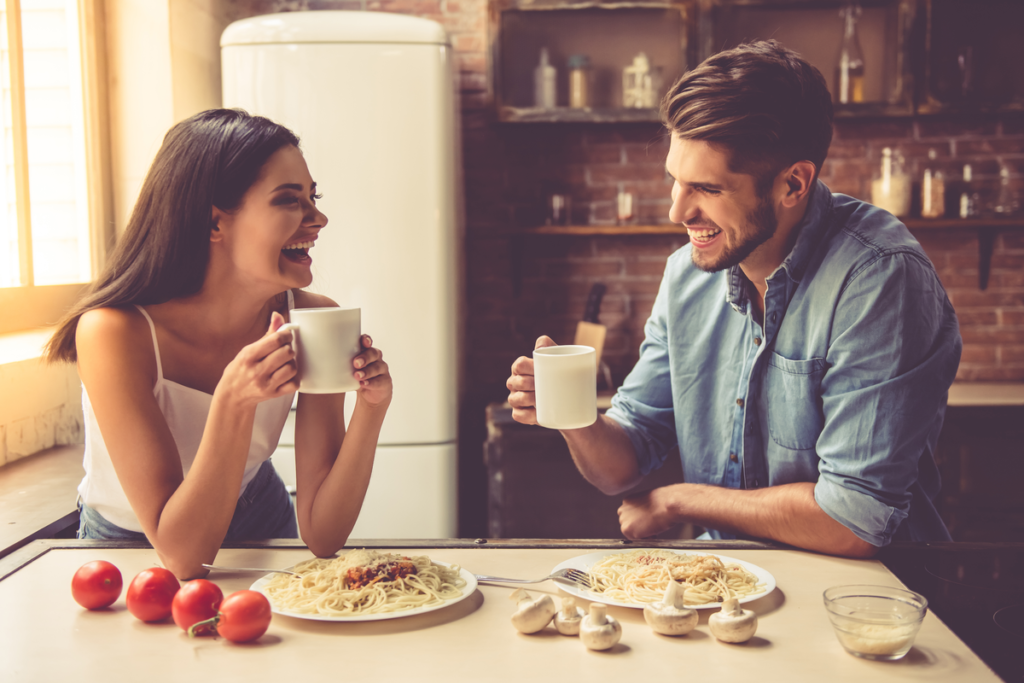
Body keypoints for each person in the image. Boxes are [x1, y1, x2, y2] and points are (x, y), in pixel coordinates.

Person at [506, 41, 961, 558]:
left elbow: (853, 521)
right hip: (730, 589)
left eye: (707, 189)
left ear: (793, 183)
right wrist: (576, 419)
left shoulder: (881, 279)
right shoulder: (686, 275)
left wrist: (682, 501)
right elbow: (622, 464)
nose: (679, 211)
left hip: (868, 606)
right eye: (675, 181)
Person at [46, 109, 393, 579]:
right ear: (214, 222)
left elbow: (324, 535)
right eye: (289, 200)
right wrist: (233, 400)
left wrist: (370, 411)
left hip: (258, 513)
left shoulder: (315, 317)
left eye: (314, 197)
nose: (318, 218)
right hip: (130, 546)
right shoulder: (113, 332)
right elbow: (183, 556)